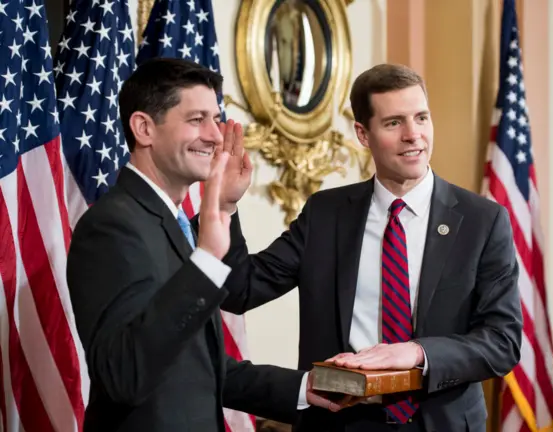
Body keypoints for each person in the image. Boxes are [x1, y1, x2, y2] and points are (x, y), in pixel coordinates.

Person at [219, 64, 523, 431]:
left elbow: (502, 341)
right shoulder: (326, 215)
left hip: (441, 423)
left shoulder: (482, 220)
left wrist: (417, 352)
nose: (414, 135)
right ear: (363, 134)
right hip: (341, 421)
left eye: (421, 117)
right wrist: (224, 207)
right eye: (394, 123)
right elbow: (239, 289)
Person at [66, 58, 346, 432]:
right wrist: (208, 260)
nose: (215, 136)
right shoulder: (112, 226)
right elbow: (124, 375)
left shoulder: (171, 222)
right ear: (144, 128)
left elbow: (197, 366)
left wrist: (301, 387)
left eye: (215, 119)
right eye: (196, 119)